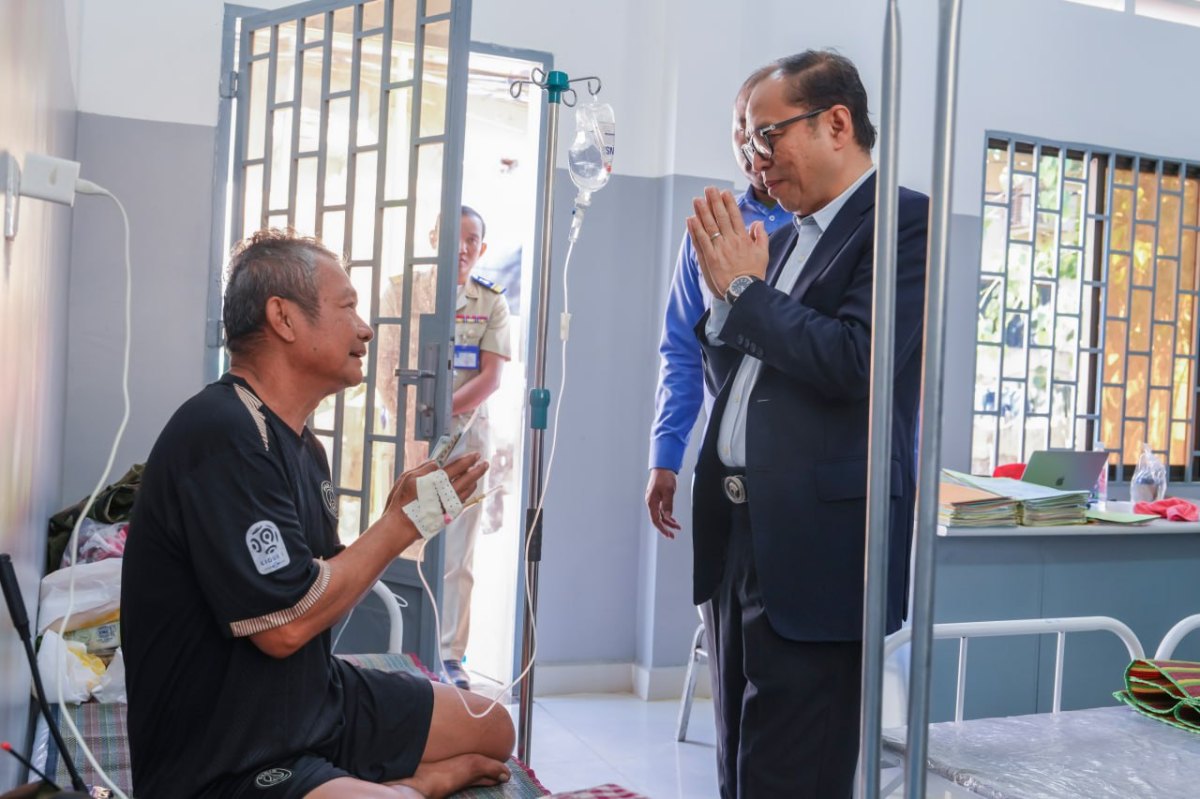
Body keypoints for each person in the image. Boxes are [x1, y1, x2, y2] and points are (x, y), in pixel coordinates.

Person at [121, 229, 515, 799]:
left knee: (494, 729)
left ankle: (362, 777)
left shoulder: (306, 449)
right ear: (283, 318)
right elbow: (286, 626)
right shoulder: (221, 434)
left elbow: (321, 592)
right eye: (347, 307)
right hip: (226, 752)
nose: (365, 329)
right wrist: (398, 526)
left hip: (313, 701)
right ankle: (414, 786)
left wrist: (400, 517)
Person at [681, 51, 930, 798]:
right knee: (739, 765)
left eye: (766, 135)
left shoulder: (902, 223)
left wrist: (744, 291)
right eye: (745, 142)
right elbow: (744, 389)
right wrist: (724, 304)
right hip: (742, 536)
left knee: (793, 774)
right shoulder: (784, 241)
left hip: (821, 551)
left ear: (836, 124)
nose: (754, 159)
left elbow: (857, 360)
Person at [645, 64, 792, 538]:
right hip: (728, 460)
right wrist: (666, 455)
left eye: (762, 132)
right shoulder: (713, 226)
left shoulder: (816, 227)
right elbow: (681, 350)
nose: (750, 147)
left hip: (801, 459)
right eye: (739, 131)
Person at [438, 206, 512, 690]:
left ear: (481, 249)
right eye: (455, 236)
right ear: (435, 237)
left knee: (457, 553)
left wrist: (440, 411)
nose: (463, 247)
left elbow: (490, 377)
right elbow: (387, 363)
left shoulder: (490, 302)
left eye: (472, 240)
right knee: (408, 540)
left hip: (465, 440)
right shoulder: (406, 290)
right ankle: (405, 642)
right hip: (413, 436)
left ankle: (448, 656)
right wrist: (418, 418)